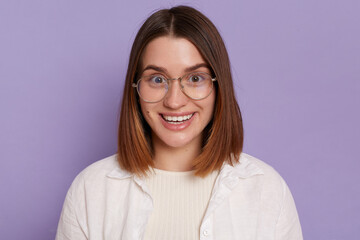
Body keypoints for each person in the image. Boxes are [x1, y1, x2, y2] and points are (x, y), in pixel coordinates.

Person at [56, 5, 303, 240]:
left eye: (195, 78)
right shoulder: (90, 191)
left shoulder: (267, 190)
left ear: (219, 87)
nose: (174, 101)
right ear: (135, 88)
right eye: (156, 79)